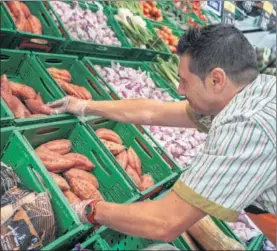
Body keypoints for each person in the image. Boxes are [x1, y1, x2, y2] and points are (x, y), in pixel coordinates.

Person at [48, 24, 276, 244]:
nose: (179, 90)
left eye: (185, 81)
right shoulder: (255, 90)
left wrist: (90, 210)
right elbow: (153, 111)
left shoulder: (246, 126)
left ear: (216, 79)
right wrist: (85, 106)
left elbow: (164, 223)